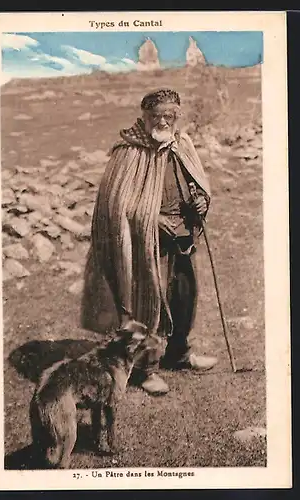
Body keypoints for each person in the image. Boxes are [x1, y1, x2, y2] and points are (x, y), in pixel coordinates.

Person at [82, 88, 218, 395]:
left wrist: (201, 201)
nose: (163, 121)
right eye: (156, 115)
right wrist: (151, 220)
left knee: (184, 297)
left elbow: (197, 182)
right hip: (146, 243)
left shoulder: (181, 145)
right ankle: (145, 369)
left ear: (177, 116)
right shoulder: (129, 151)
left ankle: (179, 355)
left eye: (169, 115)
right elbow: (115, 204)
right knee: (149, 305)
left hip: (182, 236)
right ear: (145, 116)